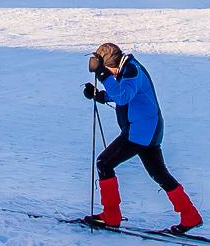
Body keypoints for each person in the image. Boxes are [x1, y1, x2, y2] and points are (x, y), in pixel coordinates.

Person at [82, 43, 203, 234]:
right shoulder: (128, 67)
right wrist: (101, 96)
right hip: (148, 128)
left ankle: (111, 216)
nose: (112, 75)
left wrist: (103, 75)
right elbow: (127, 95)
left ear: (110, 66)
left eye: (109, 71)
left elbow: (123, 96)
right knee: (159, 173)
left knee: (104, 163)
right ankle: (190, 216)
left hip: (141, 131)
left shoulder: (130, 70)